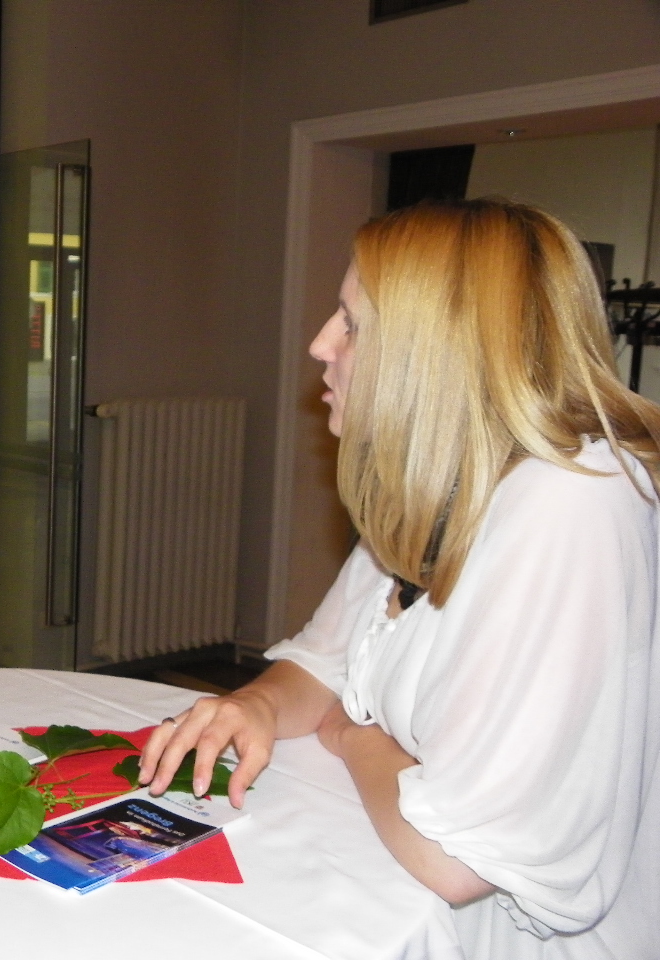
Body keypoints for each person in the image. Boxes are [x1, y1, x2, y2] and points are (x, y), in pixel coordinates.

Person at [139, 199, 660, 959]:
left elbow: (462, 862)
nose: (320, 344)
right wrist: (253, 704)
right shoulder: (436, 481)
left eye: (352, 324)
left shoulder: (573, 502)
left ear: (441, 350)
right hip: (403, 886)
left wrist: (354, 738)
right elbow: (323, 663)